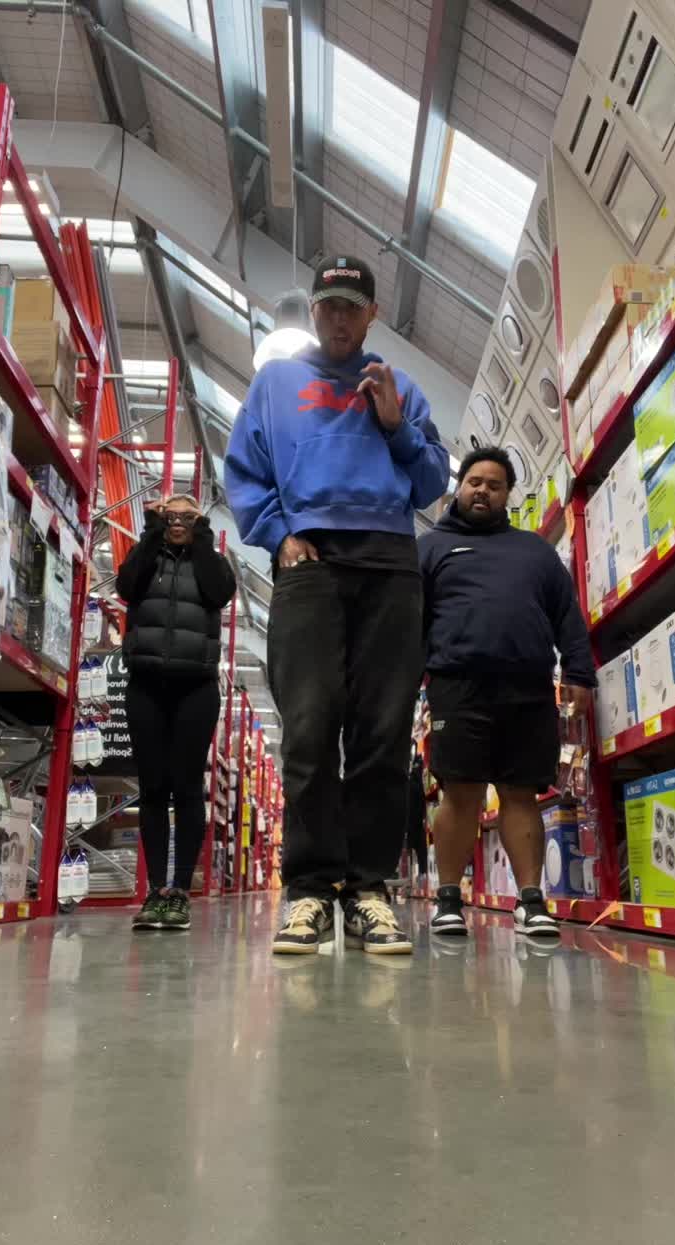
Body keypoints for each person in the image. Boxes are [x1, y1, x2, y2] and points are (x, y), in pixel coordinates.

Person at [225, 255, 449, 956]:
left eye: (354, 306)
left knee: (383, 731)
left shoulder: (401, 386)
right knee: (309, 726)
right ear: (314, 311)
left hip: (390, 561)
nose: (340, 318)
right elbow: (244, 471)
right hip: (310, 561)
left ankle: (369, 890)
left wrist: (396, 425)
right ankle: (311, 890)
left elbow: (431, 483)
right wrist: (279, 536)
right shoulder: (275, 383)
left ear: (373, 314)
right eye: (329, 306)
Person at [418, 446, 595, 940]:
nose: (483, 491)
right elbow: (410, 622)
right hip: (457, 686)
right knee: (460, 791)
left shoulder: (534, 551)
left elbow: (567, 614)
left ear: (507, 495)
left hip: (528, 687)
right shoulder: (430, 548)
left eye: (494, 485)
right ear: (459, 488)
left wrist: (579, 672)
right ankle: (448, 899)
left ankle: (531, 902)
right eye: (474, 482)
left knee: (521, 792)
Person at [116, 494, 236, 930]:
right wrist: (151, 532)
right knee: (152, 788)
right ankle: (154, 892)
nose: (179, 521)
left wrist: (202, 538)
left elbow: (220, 592)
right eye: (171, 515)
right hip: (146, 685)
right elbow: (127, 586)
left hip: (196, 688)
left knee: (186, 788)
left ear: (200, 522)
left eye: (188, 516)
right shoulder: (146, 556)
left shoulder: (212, 562)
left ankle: (180, 892)